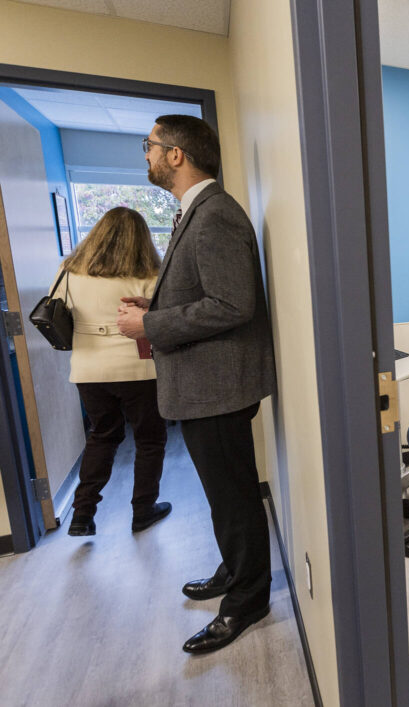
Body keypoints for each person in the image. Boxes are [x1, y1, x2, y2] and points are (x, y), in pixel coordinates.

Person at [117, 115, 277, 654]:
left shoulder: (215, 214)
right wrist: (155, 306)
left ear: (176, 154)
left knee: (234, 498)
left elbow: (232, 304)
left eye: (150, 146)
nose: (146, 155)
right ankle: (235, 570)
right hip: (206, 386)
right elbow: (205, 292)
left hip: (217, 388)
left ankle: (249, 600)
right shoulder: (198, 211)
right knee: (223, 497)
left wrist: (151, 324)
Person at [60, 207, 170, 537]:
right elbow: (163, 317)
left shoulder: (69, 272)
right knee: (149, 439)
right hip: (139, 369)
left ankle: (82, 514)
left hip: (89, 369)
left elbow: (57, 307)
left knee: (102, 434)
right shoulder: (150, 272)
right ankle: (143, 510)